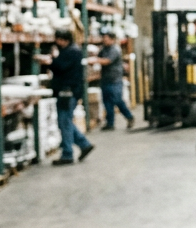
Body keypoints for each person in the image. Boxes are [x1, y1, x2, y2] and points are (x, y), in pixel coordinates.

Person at [36, 29, 94, 166]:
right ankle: (84, 144)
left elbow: (60, 67)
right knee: (65, 121)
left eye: (58, 39)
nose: (56, 42)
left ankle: (67, 154)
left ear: (64, 39)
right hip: (67, 91)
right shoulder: (70, 50)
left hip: (67, 92)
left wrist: (49, 61)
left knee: (64, 121)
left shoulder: (71, 52)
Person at [89, 32, 134, 130]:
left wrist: (95, 60)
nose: (104, 40)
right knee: (107, 102)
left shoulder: (115, 49)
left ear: (112, 39)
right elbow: (99, 58)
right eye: (104, 38)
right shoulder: (104, 49)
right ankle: (110, 123)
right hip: (105, 79)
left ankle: (129, 116)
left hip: (115, 79)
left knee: (117, 99)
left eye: (106, 38)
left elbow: (107, 61)